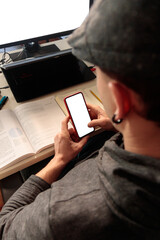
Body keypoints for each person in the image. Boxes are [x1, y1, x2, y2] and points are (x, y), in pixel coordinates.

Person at [0, 0, 160, 239]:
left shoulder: (61, 214)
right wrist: (119, 126)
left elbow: (4, 226)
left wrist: (59, 159)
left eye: (99, 71)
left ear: (121, 98)